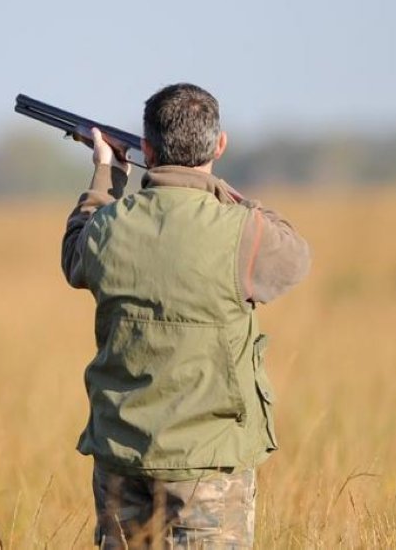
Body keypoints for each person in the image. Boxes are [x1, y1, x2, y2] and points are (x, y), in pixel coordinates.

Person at [60, 83, 311, 548]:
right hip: (209, 467)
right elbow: (295, 254)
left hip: (122, 458)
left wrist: (105, 175)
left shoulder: (110, 227)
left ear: (147, 149)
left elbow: (75, 253)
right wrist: (219, 190)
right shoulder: (240, 230)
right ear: (219, 145)